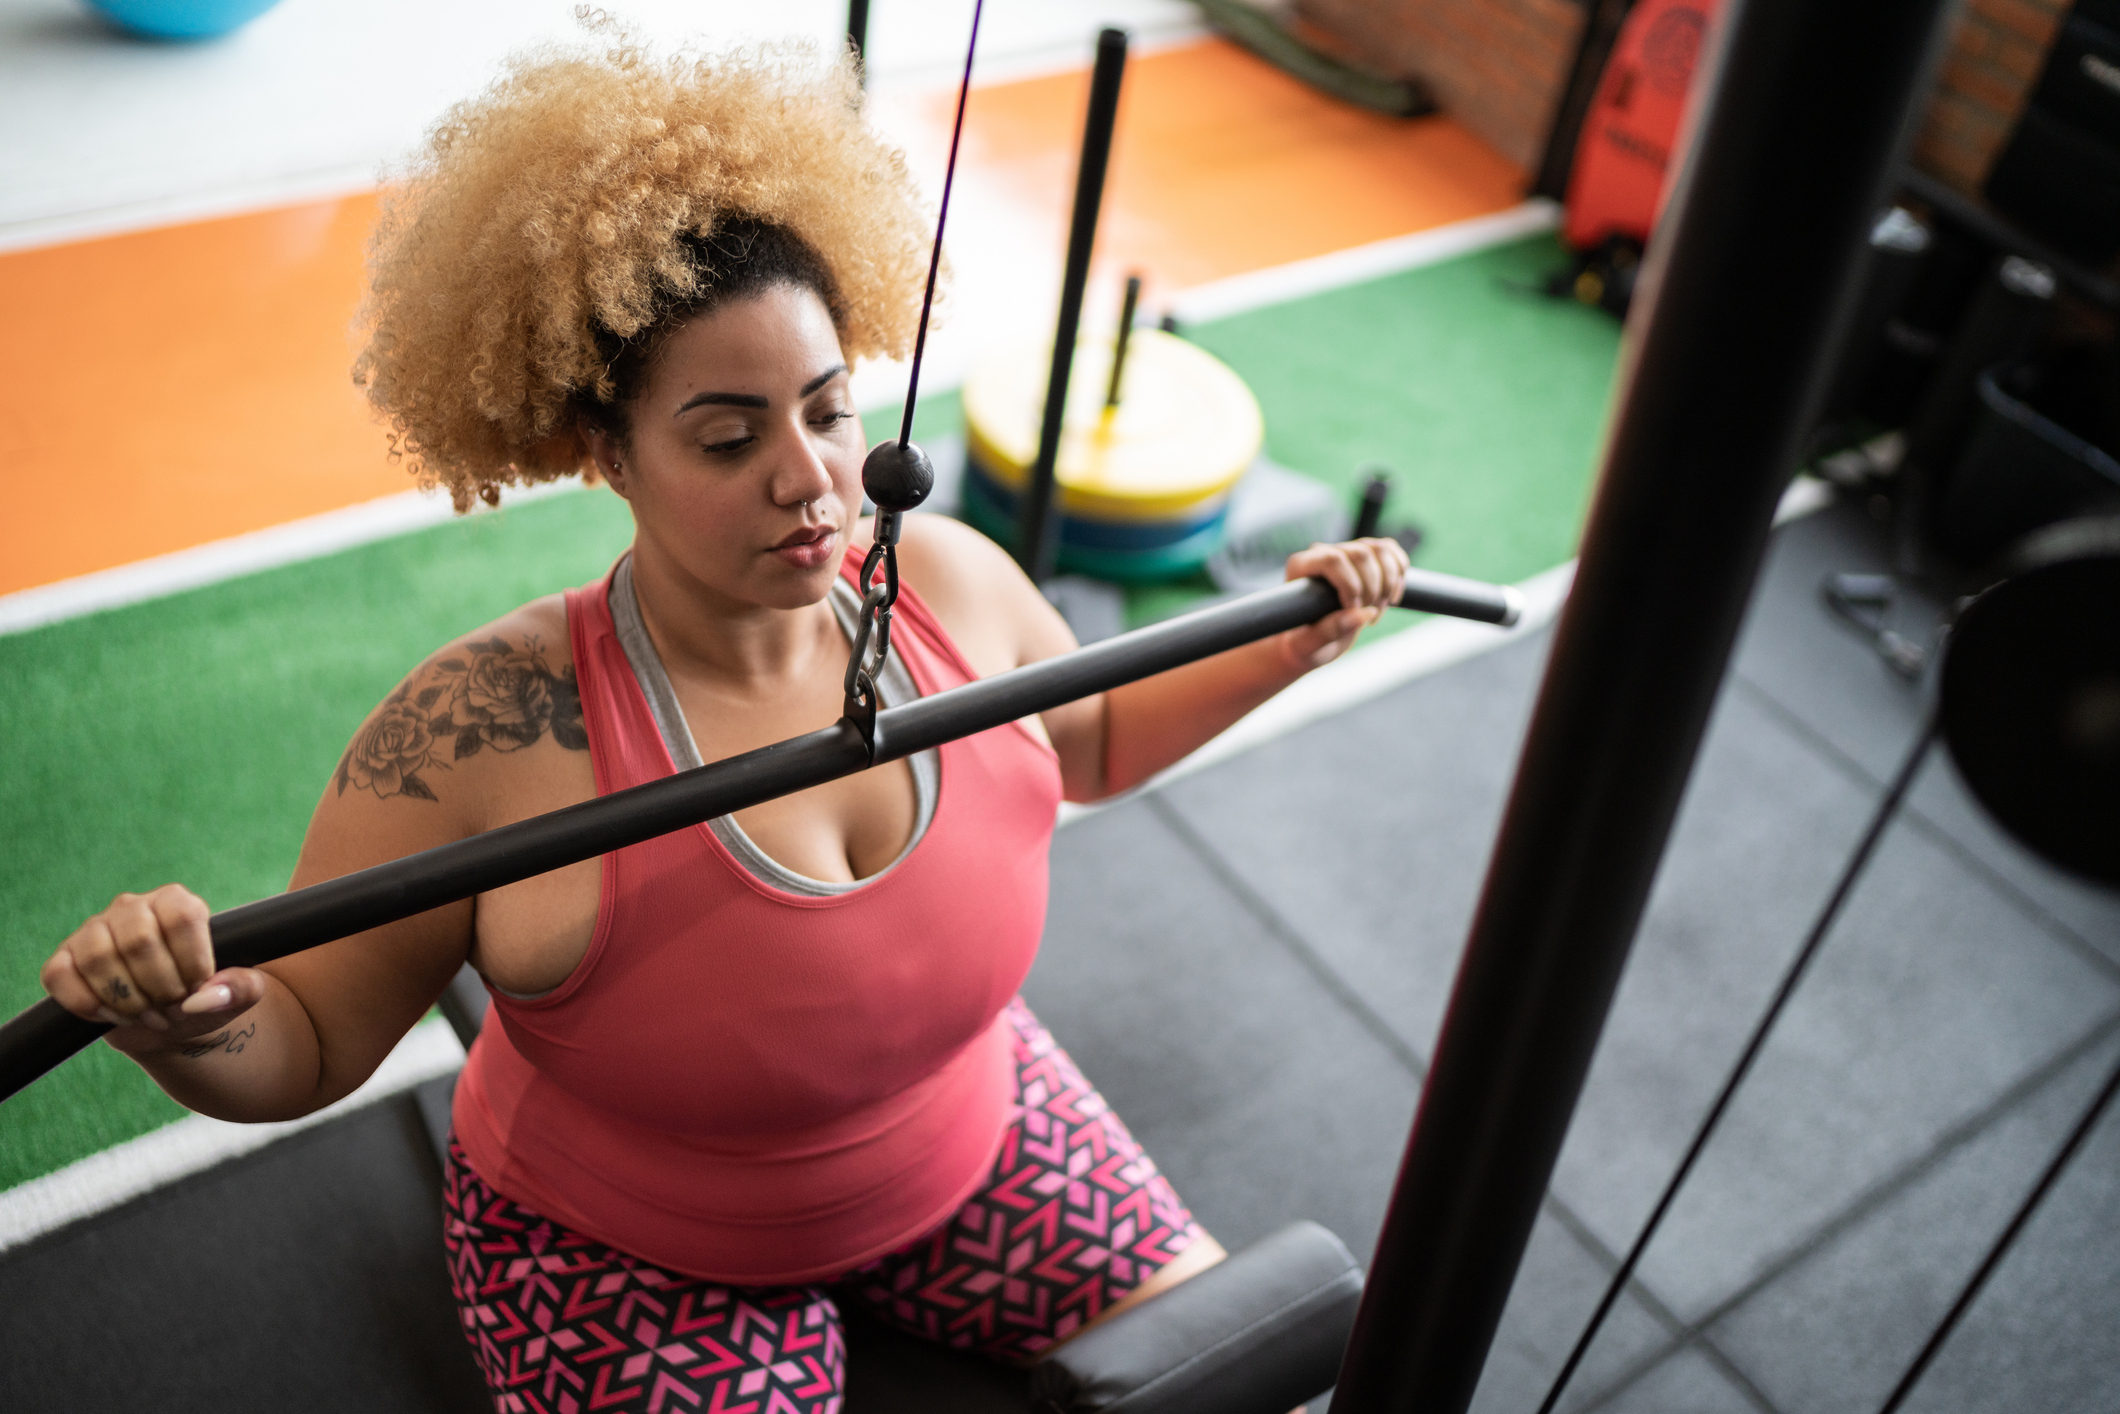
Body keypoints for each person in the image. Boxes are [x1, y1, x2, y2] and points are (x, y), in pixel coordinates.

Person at [37, 32, 1407, 1414]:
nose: (810, 478)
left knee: (1242, 1370)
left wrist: (1288, 643)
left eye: (826, 408)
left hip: (971, 1133)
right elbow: (308, 1043)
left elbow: (1094, 738)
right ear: (603, 449)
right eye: (728, 436)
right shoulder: (488, 727)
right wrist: (185, 1017)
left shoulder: (942, 582)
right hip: (623, 1252)